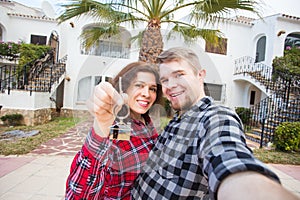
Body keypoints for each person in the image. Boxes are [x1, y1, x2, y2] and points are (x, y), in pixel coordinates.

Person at [132, 47, 299, 200]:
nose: (171, 85)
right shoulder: (176, 120)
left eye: (179, 75)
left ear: (200, 75)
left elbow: (229, 160)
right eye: (165, 80)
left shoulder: (215, 117)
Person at [65, 61, 162, 199]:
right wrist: (101, 126)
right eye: (139, 85)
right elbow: (80, 192)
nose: (147, 94)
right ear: (124, 89)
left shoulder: (146, 122)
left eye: (152, 88)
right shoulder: (121, 126)